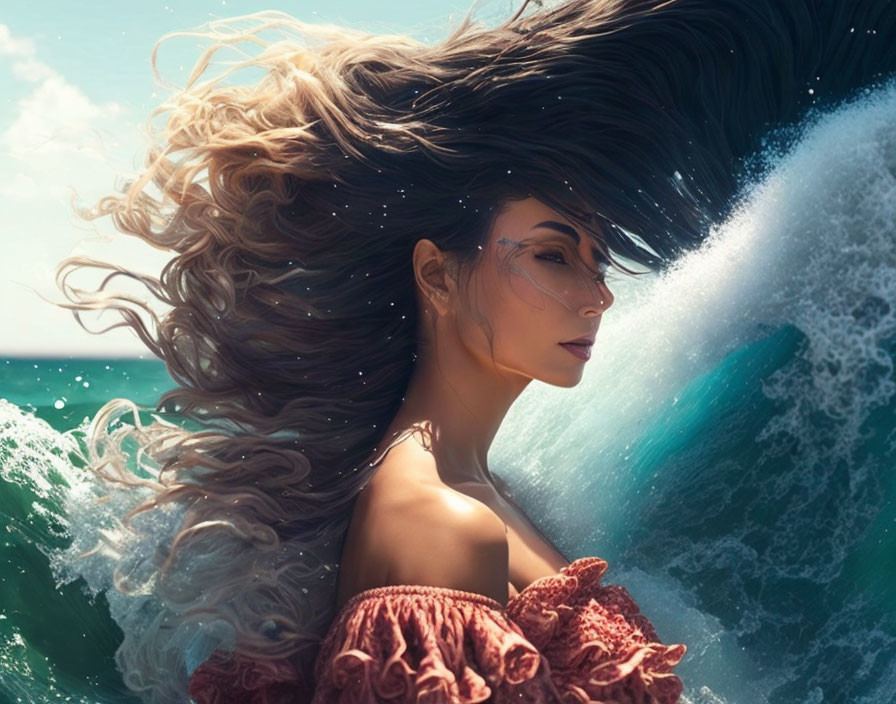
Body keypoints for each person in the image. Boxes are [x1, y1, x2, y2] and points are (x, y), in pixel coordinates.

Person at [53, 0, 896, 701]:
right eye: (552, 254)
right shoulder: (441, 526)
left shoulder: (485, 487)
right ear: (437, 274)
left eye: (596, 260)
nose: (597, 292)